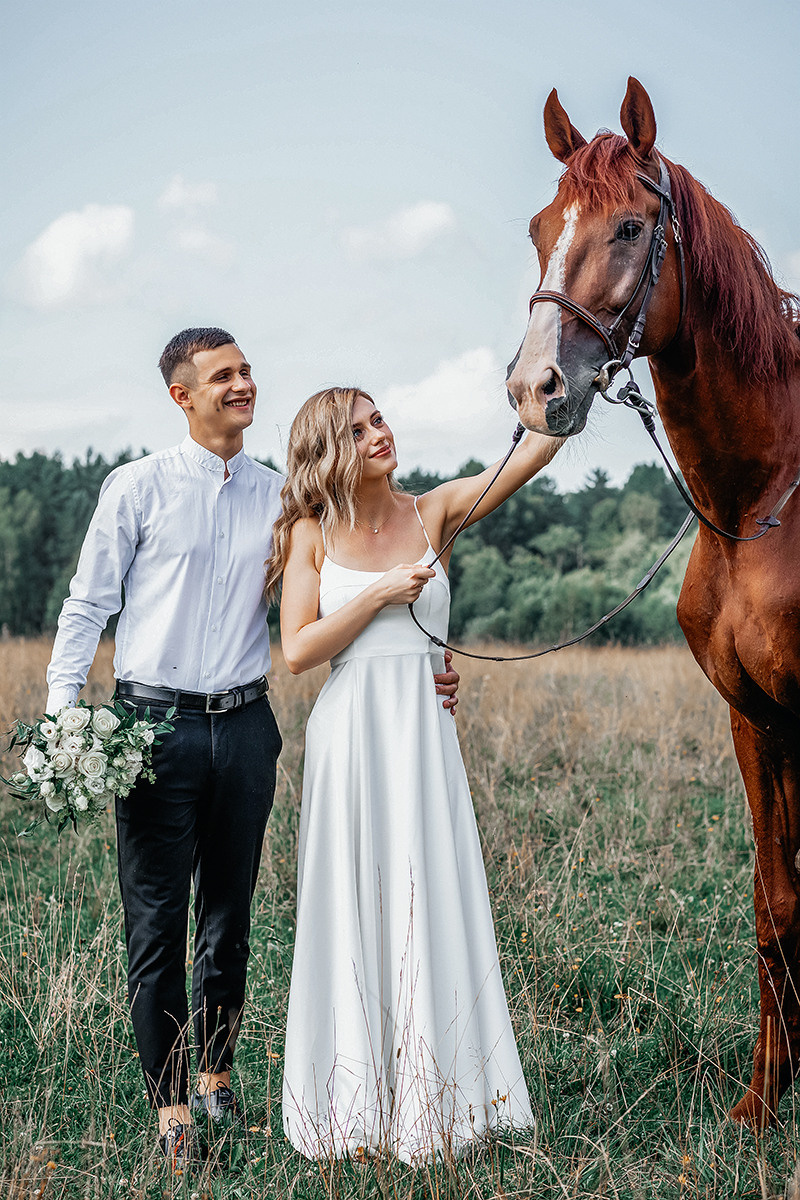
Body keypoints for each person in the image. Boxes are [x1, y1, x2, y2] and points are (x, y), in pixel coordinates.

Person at [44, 331, 460, 1168]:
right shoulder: (136, 487)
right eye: (223, 376)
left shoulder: (284, 501)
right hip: (151, 728)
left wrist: (426, 656)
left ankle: (217, 1079)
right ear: (181, 395)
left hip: (243, 726)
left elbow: (347, 575)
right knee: (157, 923)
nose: (243, 384)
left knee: (229, 918)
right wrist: (63, 716)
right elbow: (87, 606)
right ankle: (172, 1111)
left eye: (246, 371)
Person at [270, 386, 563, 1161]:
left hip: (424, 734)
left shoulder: (433, 511)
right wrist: (378, 594)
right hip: (351, 733)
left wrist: (569, 382)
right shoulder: (309, 532)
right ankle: (355, 1107)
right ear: (327, 451)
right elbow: (297, 651)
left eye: (379, 419)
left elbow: (531, 456)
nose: (379, 434)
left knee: (425, 894)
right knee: (355, 902)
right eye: (357, 429)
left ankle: (444, 1099)